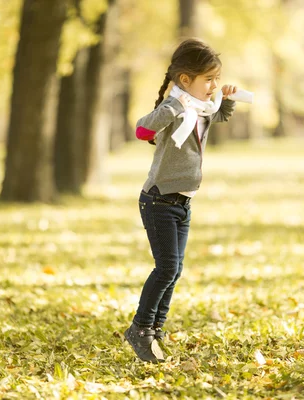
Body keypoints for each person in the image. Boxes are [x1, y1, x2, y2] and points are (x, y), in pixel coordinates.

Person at [124, 38, 237, 363]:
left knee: (175, 270)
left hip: (182, 202)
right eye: (209, 79)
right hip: (159, 200)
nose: (213, 85)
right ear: (185, 80)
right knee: (166, 267)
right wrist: (170, 109)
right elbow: (143, 131)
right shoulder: (176, 108)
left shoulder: (199, 109)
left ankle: (156, 330)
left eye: (216, 78)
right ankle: (140, 328)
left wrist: (225, 101)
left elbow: (218, 118)